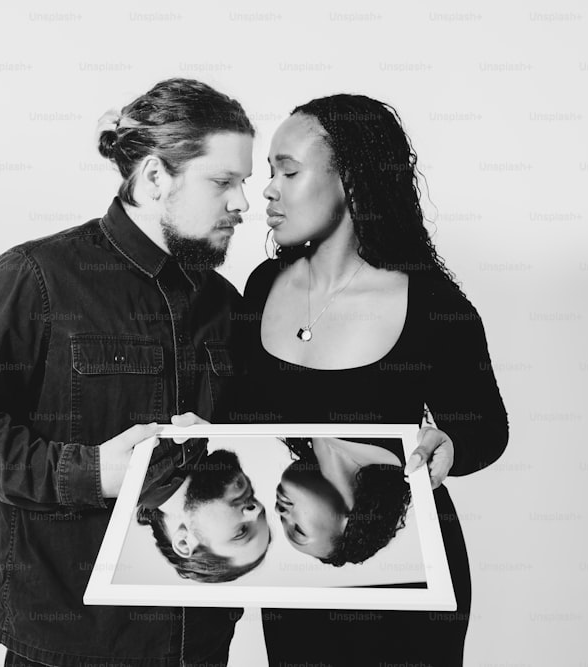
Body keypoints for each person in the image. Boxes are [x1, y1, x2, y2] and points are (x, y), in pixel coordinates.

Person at [0, 78, 254, 667]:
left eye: (243, 182)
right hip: (70, 639)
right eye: (223, 181)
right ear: (154, 176)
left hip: (197, 637)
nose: (242, 203)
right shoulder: (37, 275)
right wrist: (90, 472)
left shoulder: (225, 304)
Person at [234, 94, 510, 666]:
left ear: (351, 181)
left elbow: (487, 429)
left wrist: (451, 446)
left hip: (413, 585)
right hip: (296, 586)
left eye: (288, 171)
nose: (268, 190)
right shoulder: (261, 286)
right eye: (269, 173)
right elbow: (238, 419)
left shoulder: (431, 302)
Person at [136, 447, 271, 582]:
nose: (257, 508)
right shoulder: (197, 437)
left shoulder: (134, 472)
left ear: (184, 542)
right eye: (261, 514)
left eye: (242, 531)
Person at [275, 437, 411, 566]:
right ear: (350, 522)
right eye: (298, 530)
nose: (278, 510)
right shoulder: (412, 447)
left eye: (282, 519)